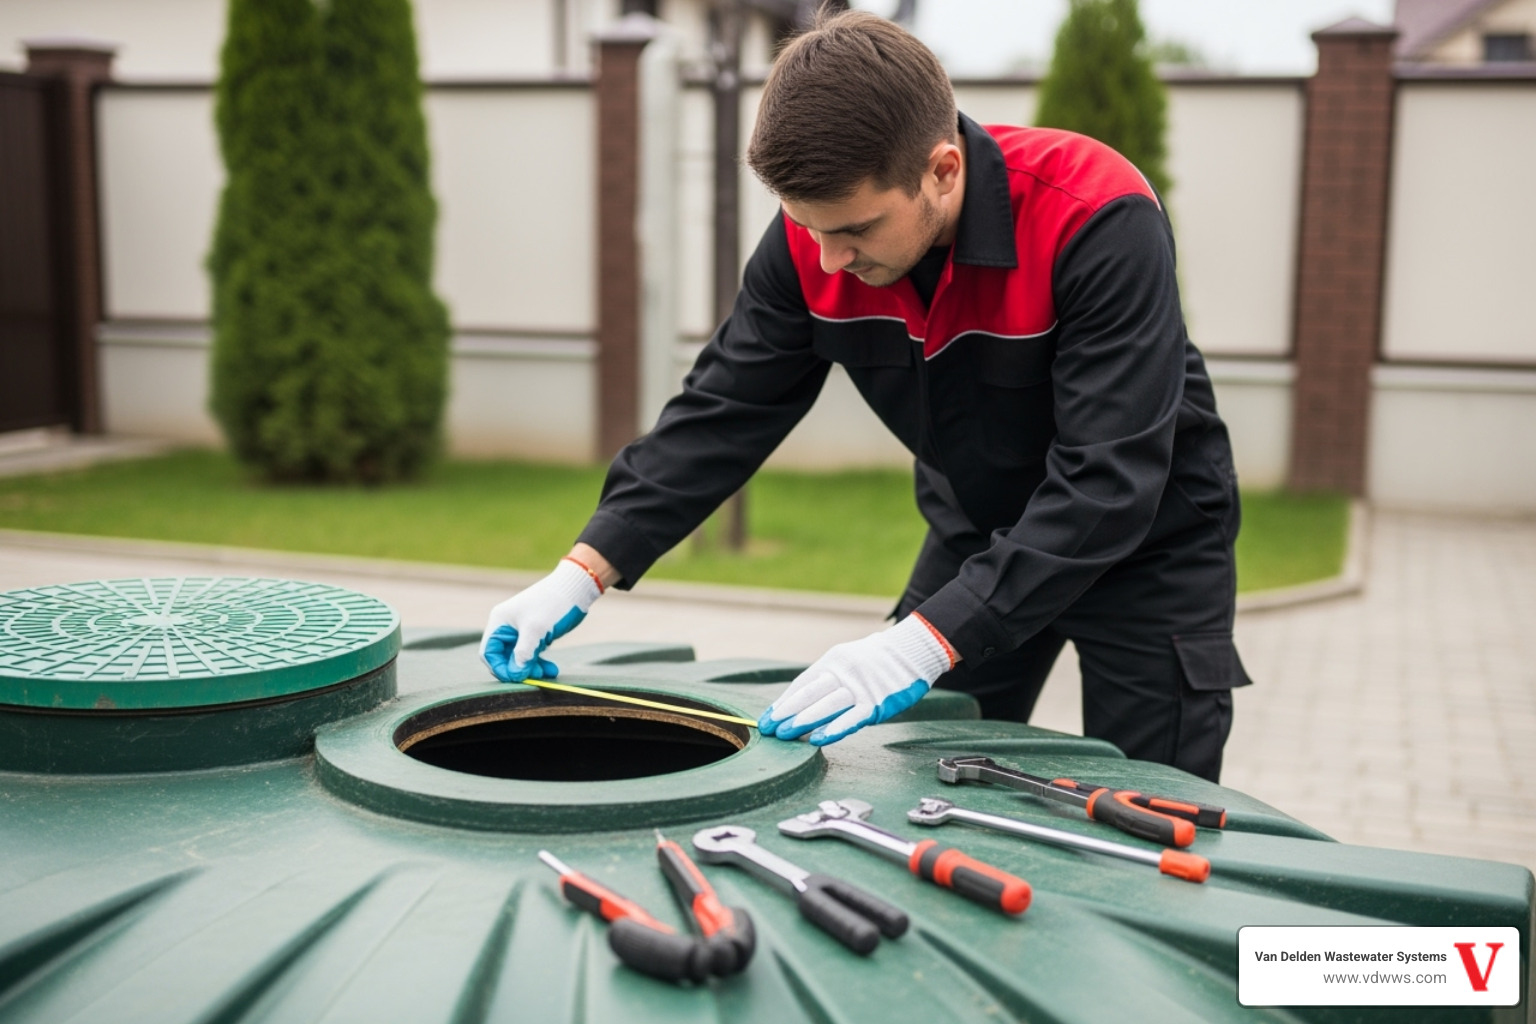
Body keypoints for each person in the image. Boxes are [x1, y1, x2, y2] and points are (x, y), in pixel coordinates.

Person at [481, 10, 1251, 783]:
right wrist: (581, 571)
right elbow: (723, 409)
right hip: (976, 535)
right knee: (914, 782)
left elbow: (1107, 480)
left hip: (1150, 548)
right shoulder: (813, 243)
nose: (829, 258)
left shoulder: (1095, 216)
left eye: (854, 228)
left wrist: (919, 642)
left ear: (943, 169)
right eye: (807, 227)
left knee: (1151, 817)